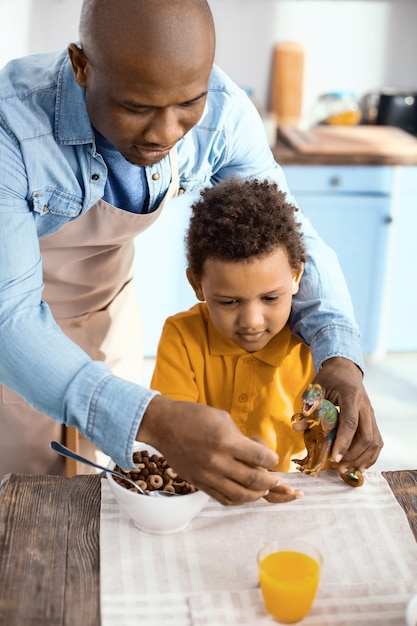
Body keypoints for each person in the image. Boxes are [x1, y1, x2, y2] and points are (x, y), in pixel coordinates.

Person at [0, 0, 382, 504]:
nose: (164, 133)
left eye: (188, 103)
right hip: (14, 328)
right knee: (28, 497)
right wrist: (151, 417)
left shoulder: (223, 111)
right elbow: (11, 315)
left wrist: (339, 360)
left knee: (103, 490)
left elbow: (292, 237)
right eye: (136, 107)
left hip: (107, 304)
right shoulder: (13, 125)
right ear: (81, 66)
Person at [151, 177, 315, 502]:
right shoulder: (182, 337)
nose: (252, 322)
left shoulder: (312, 346)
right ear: (197, 284)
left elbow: (328, 440)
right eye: (229, 302)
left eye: (270, 298)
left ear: (296, 276)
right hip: (200, 497)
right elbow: (177, 429)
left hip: (292, 498)